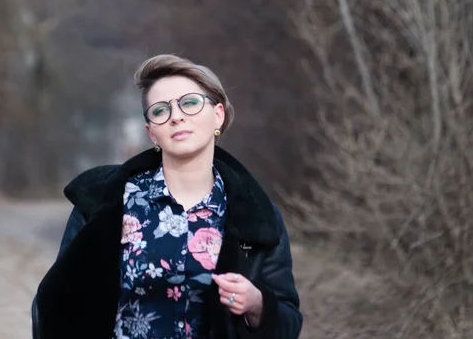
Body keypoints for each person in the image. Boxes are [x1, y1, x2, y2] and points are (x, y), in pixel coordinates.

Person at [32, 54, 303, 339]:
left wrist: (257, 304)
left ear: (218, 116)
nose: (176, 116)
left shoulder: (257, 216)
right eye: (160, 111)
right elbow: (55, 303)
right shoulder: (105, 202)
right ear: (151, 132)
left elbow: (289, 321)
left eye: (190, 103)